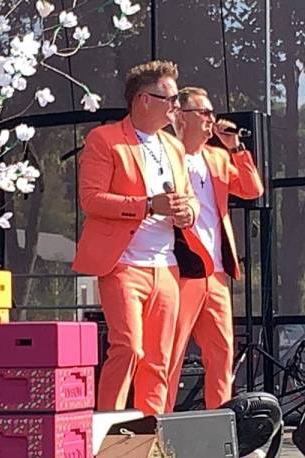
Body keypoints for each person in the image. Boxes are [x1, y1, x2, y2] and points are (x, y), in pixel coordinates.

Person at [72, 60, 201, 416]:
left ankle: (151, 436)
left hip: (166, 266)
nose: (176, 107)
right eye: (170, 99)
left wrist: (187, 212)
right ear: (144, 100)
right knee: (128, 348)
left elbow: (189, 198)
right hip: (124, 264)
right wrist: (147, 206)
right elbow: (91, 200)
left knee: (159, 360)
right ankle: (108, 433)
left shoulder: (174, 146)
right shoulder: (105, 139)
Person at [165, 87, 265, 411]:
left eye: (212, 112)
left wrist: (235, 148)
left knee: (222, 353)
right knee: (172, 353)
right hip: (183, 269)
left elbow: (252, 189)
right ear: (182, 117)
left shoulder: (218, 157)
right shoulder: (166, 154)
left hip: (217, 271)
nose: (211, 119)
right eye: (204, 113)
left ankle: (220, 425)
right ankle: (158, 425)